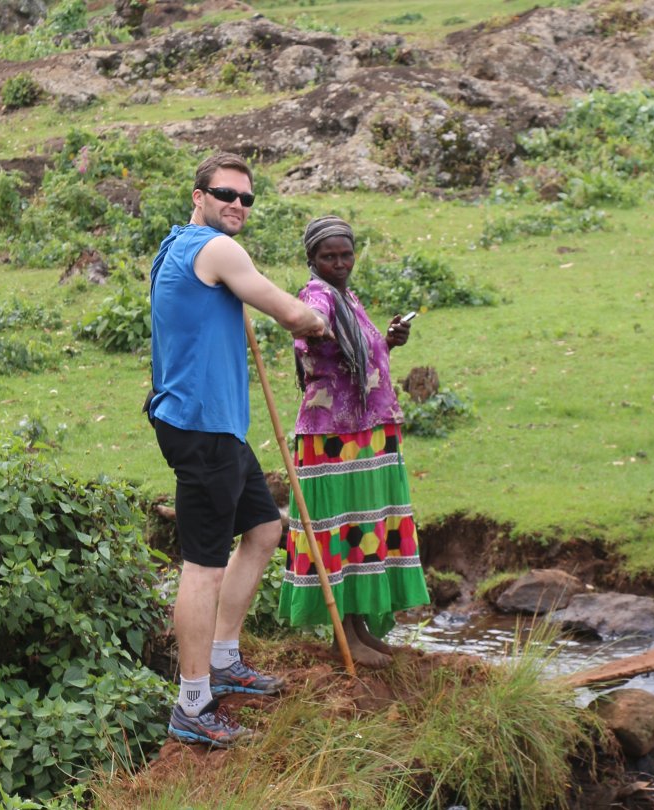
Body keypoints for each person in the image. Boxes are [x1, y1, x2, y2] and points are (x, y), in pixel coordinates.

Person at [148, 153, 328, 748]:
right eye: (226, 193)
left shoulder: (175, 247)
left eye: (247, 198)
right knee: (202, 564)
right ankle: (192, 703)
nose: (237, 205)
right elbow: (290, 312)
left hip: (214, 426)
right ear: (197, 194)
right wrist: (322, 321)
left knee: (261, 530)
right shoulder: (217, 250)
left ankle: (224, 659)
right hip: (203, 428)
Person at [278, 215, 430, 667]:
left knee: (365, 526)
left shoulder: (348, 297)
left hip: (367, 430)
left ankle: (361, 627)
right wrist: (312, 323)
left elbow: (354, 358)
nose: (340, 263)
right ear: (313, 260)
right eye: (329, 256)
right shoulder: (318, 296)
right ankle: (342, 636)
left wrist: (388, 342)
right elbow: (310, 323)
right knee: (340, 530)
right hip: (333, 438)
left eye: (346, 255)